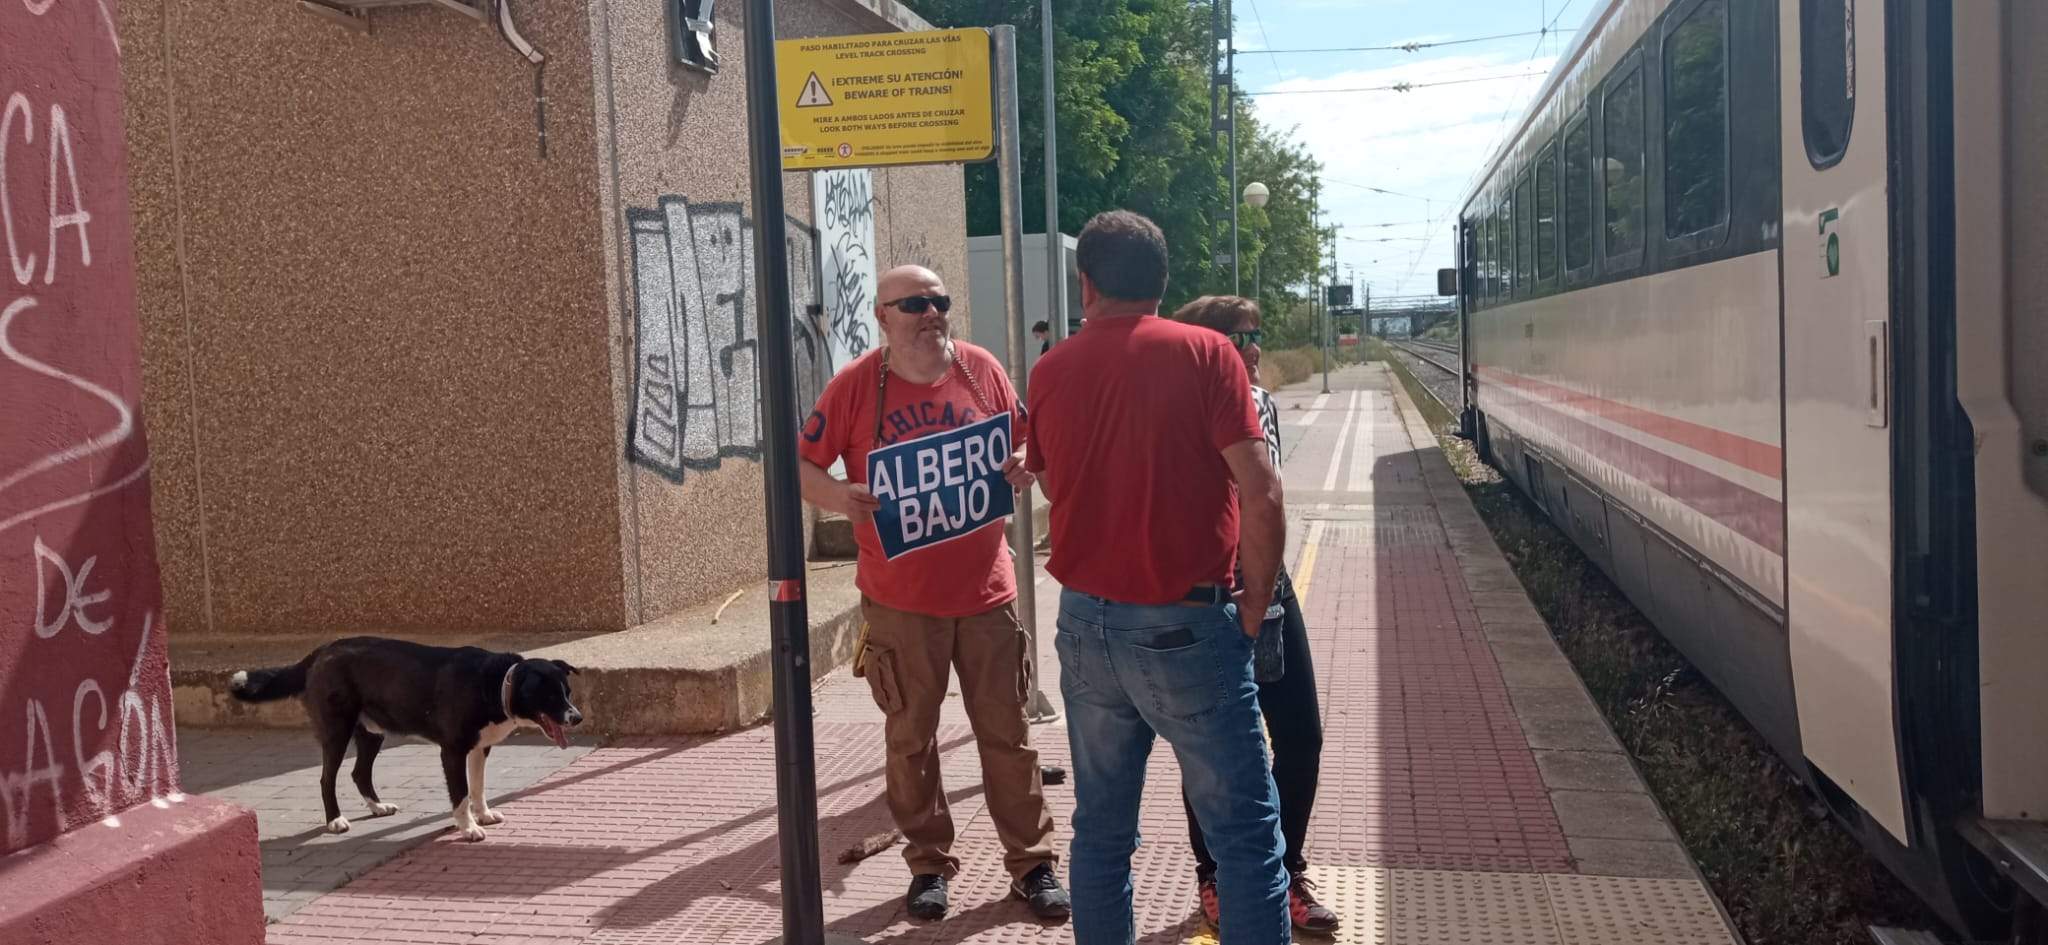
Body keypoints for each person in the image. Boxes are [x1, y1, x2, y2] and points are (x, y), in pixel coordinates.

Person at [1024, 211, 1291, 945]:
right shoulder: (1207, 354)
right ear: (1162, 282)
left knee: (1102, 834)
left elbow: (1050, 483)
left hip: (1084, 625)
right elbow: (1262, 491)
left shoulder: (1050, 369)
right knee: (1243, 834)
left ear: (1086, 285)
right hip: (1188, 624)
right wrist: (1256, 604)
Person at [797, 264, 1071, 922]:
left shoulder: (984, 370)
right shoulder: (855, 387)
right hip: (900, 604)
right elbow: (801, 462)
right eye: (914, 303)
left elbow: (1031, 444)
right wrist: (839, 496)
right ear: (882, 316)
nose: (931, 313)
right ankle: (927, 864)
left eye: (939, 301)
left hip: (987, 597)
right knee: (910, 738)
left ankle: (1032, 863)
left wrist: (1024, 469)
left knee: (1006, 734)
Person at [1170, 296, 1338, 935]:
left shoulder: (1260, 400)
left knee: (1301, 737)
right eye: (1241, 339)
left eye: (1256, 335)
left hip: (1269, 585)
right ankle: (1213, 878)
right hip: (1208, 591)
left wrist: (1264, 583)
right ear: (1207, 348)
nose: (1255, 349)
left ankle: (1286, 868)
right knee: (1209, 751)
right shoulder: (1179, 409)